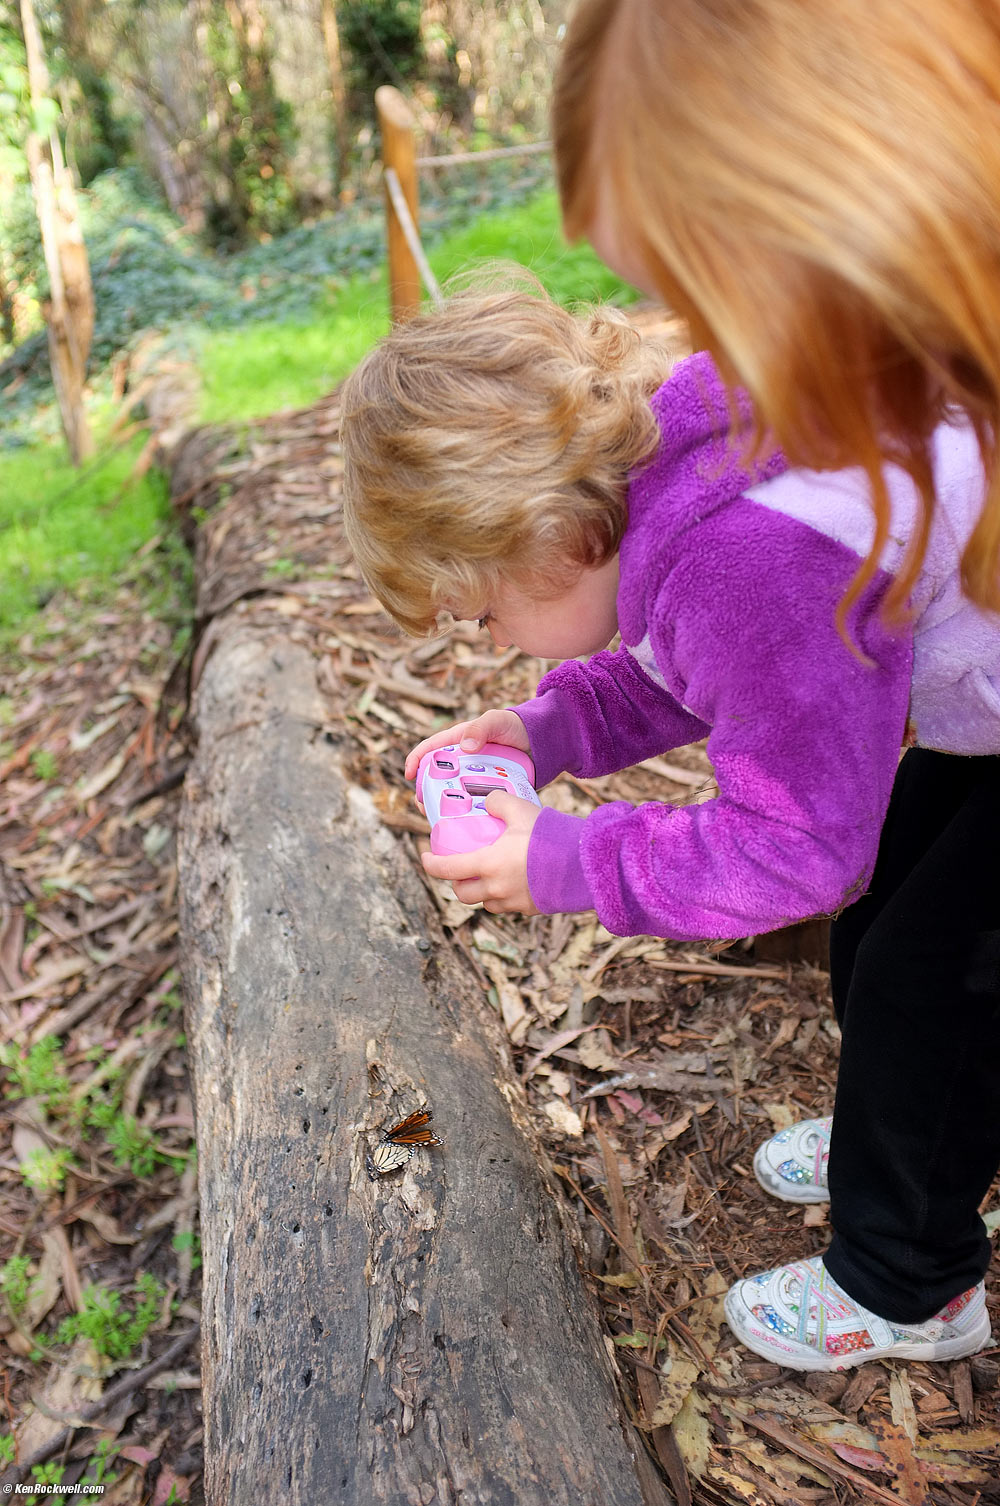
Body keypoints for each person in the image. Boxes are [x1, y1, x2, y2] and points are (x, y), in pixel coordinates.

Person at [339, 277, 999, 1372]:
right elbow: (685, 660)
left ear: (552, 539)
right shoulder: (678, 467)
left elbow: (797, 848)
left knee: (932, 978)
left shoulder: (748, 558)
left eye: (488, 613)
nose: (498, 641)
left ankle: (911, 1286)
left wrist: (567, 861)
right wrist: (544, 729)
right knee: (888, 918)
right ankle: (903, 1133)